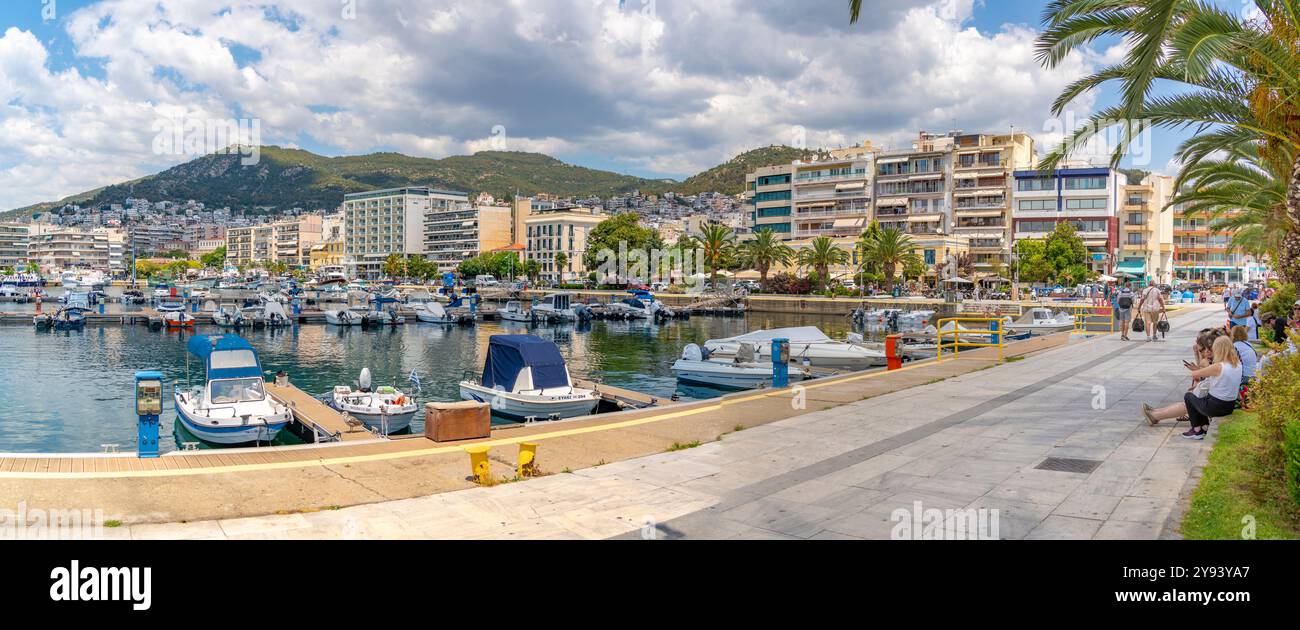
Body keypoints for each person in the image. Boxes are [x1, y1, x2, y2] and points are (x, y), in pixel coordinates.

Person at [1142, 336, 1241, 440]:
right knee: (1199, 400)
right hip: (1229, 406)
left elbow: (1195, 374)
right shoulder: (1237, 364)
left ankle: (1197, 430)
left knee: (1189, 397)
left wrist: (1202, 366)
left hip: (1216, 406)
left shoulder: (1219, 366)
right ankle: (1203, 427)